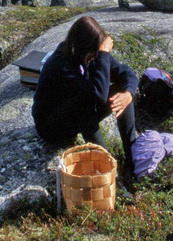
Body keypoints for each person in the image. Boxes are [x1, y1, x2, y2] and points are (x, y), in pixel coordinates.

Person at [32, 16, 138, 179]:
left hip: (77, 112)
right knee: (85, 102)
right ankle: (106, 163)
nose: (94, 57)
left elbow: (127, 74)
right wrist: (102, 55)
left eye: (97, 53)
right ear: (81, 47)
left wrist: (128, 93)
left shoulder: (94, 54)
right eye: (93, 54)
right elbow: (98, 96)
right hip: (52, 125)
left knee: (121, 94)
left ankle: (132, 159)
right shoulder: (60, 64)